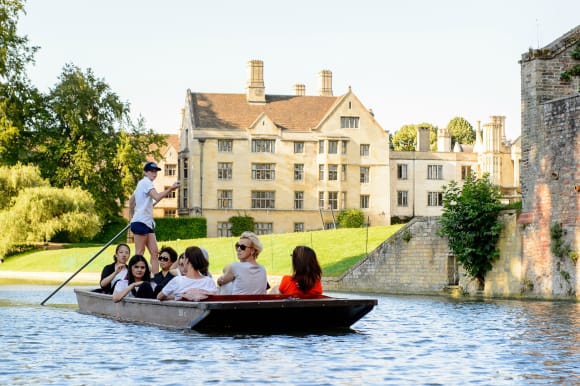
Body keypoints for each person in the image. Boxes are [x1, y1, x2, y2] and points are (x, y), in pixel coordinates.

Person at [129, 161, 180, 274]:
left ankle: (156, 278)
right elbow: (156, 197)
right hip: (141, 222)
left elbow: (131, 200)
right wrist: (171, 188)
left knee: (154, 252)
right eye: (151, 171)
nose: (154, 174)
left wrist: (132, 216)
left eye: (155, 171)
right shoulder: (146, 182)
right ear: (145, 172)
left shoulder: (141, 184)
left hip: (147, 223)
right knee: (139, 252)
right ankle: (132, 277)